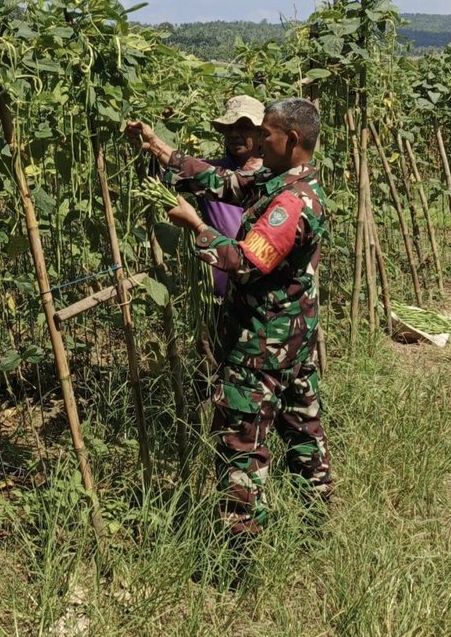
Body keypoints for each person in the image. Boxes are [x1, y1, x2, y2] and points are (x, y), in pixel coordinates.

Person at [126, 97, 332, 539]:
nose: (257, 141)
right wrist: (158, 147)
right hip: (293, 340)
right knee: (303, 429)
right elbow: (222, 181)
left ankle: (239, 552)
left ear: (290, 139)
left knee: (242, 445)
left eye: (265, 134)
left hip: (262, 345)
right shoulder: (279, 179)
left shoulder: (292, 202)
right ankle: (318, 526)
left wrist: (196, 226)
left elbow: (246, 261)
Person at [203, 95, 266, 301]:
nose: (234, 133)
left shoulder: (275, 176)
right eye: (229, 127)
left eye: (244, 127)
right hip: (222, 294)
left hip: (266, 299)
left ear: (261, 132)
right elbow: (171, 169)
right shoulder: (209, 173)